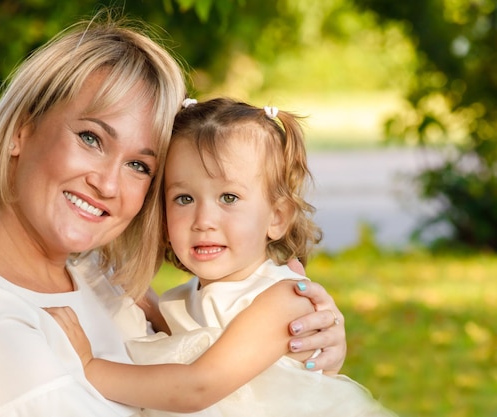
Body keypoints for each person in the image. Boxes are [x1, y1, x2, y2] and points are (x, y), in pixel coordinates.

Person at [0, 13, 347, 417]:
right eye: (91, 138)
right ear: (20, 132)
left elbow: (212, 353)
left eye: (139, 165)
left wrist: (305, 346)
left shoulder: (96, 276)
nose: (108, 184)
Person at [48, 98, 395, 416]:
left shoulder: (284, 299)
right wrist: (146, 303)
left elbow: (199, 386)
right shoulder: (186, 297)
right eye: (184, 199)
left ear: (277, 216)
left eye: (229, 198)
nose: (203, 222)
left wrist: (91, 367)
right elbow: (194, 342)